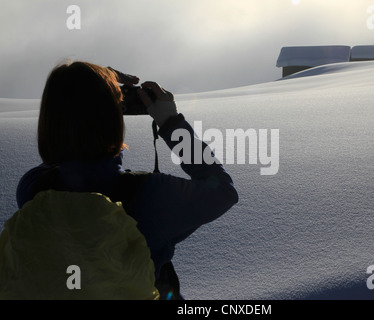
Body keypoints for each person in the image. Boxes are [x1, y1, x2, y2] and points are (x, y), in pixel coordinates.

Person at [15, 61, 239, 299]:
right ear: (112, 118)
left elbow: (66, 160)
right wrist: (171, 123)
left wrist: (86, 91)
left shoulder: (33, 190)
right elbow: (223, 191)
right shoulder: (150, 196)